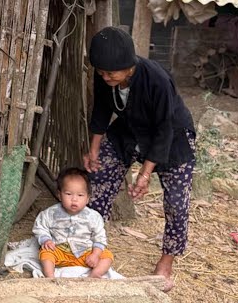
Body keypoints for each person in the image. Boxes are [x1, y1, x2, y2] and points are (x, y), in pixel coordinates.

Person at [83, 26, 196, 284]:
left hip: (172, 136)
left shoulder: (157, 79)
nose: (105, 77)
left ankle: (166, 262)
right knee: (98, 176)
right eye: (101, 72)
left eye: (111, 73)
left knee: (177, 203)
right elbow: (101, 110)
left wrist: (145, 174)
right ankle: (91, 246)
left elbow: (164, 128)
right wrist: (94, 149)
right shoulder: (104, 76)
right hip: (130, 129)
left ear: (129, 66)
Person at [32, 167, 112, 278]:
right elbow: (40, 227)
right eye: (69, 194)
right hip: (59, 251)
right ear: (59, 195)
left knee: (107, 255)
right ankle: (50, 277)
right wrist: (46, 240)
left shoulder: (93, 217)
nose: (74, 199)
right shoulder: (50, 213)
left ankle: (94, 275)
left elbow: (100, 238)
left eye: (80, 195)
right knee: (45, 252)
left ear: (87, 198)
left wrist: (95, 254)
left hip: (85, 253)